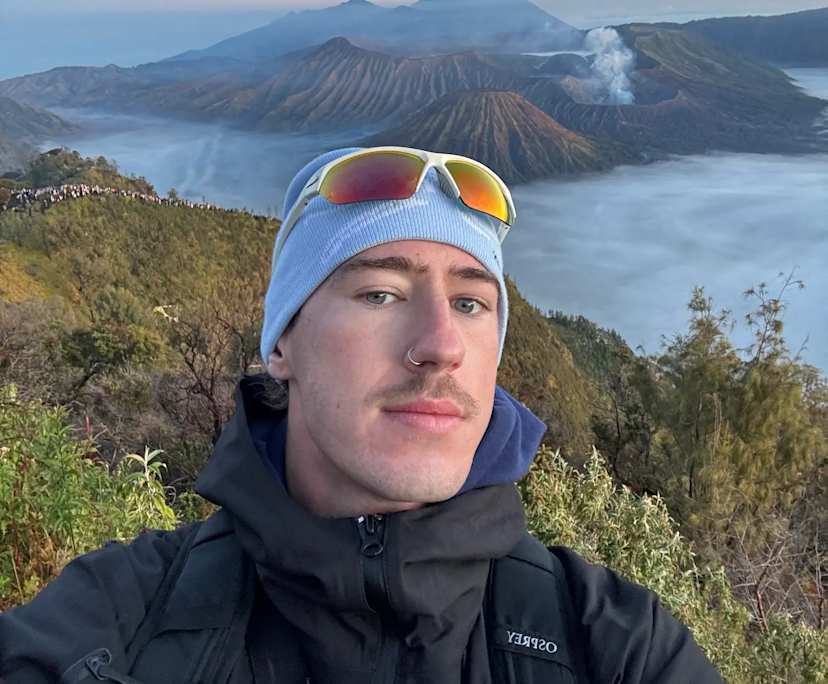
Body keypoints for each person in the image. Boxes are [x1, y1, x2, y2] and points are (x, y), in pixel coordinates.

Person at [0, 146, 724, 683]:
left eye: (471, 303)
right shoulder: (115, 620)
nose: (441, 345)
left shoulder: (617, 646)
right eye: (380, 294)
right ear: (283, 343)